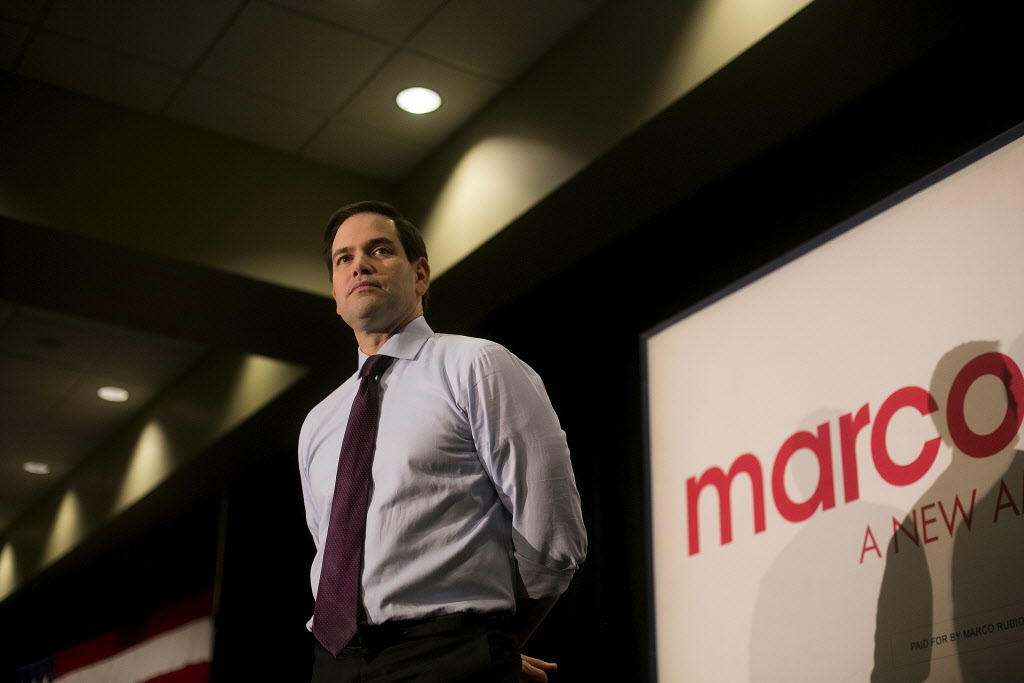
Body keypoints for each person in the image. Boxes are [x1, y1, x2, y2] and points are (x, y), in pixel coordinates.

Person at [298, 201, 587, 682]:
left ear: (421, 274)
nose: (359, 264)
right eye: (343, 258)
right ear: (335, 291)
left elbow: (553, 534)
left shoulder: (477, 366)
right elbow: (330, 550)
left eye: (379, 250)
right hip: (334, 664)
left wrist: (490, 646)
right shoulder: (319, 421)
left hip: (449, 653)